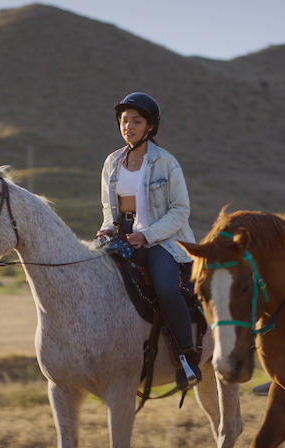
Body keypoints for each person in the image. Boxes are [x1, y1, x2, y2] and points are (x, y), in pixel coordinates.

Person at [96, 92, 201, 388]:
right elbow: (109, 207)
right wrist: (107, 228)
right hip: (124, 238)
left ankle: (187, 358)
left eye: (136, 121)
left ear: (150, 127)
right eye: (124, 120)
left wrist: (148, 235)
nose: (128, 126)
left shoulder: (166, 162)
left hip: (161, 240)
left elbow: (181, 210)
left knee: (167, 288)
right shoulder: (112, 162)